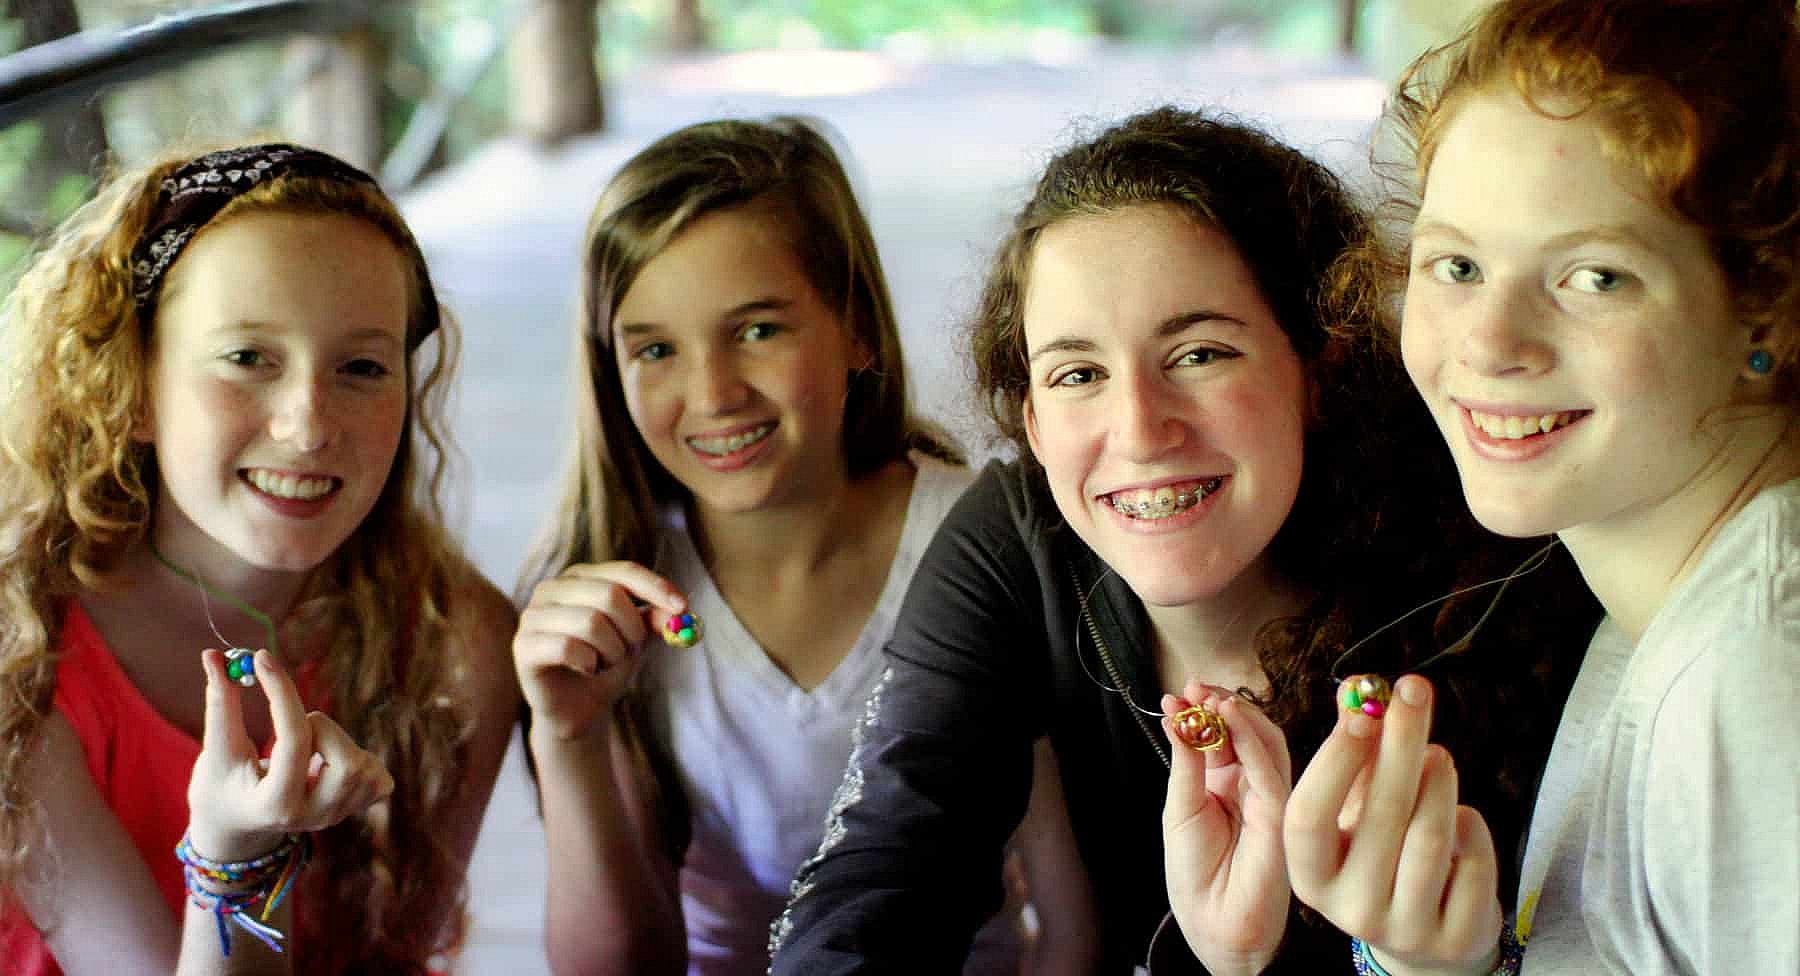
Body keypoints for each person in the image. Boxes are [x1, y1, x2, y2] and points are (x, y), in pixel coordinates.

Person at [768, 105, 1598, 975]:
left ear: (1319, 369)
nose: (1138, 429)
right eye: (1078, 374)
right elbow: (880, 871)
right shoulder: (1019, 534)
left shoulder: (1495, 588)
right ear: (1036, 427)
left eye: (1200, 353)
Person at [510, 116, 1096, 975]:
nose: (712, 392)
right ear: (612, 371)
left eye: (758, 330)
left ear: (857, 328)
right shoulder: (608, 601)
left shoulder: (981, 543)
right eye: (657, 349)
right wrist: (569, 739)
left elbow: (1073, 934)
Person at [1286, 2, 1800, 973]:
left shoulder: (1760, 675)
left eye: (1595, 277)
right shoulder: (1657, 605)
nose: (1488, 341)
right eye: (1458, 264)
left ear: (1767, 304)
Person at [0, 144, 521, 975]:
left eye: (361, 367)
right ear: (133, 385)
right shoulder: (20, 647)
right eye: (248, 358)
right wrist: (235, 854)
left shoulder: (457, 642)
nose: (308, 425)